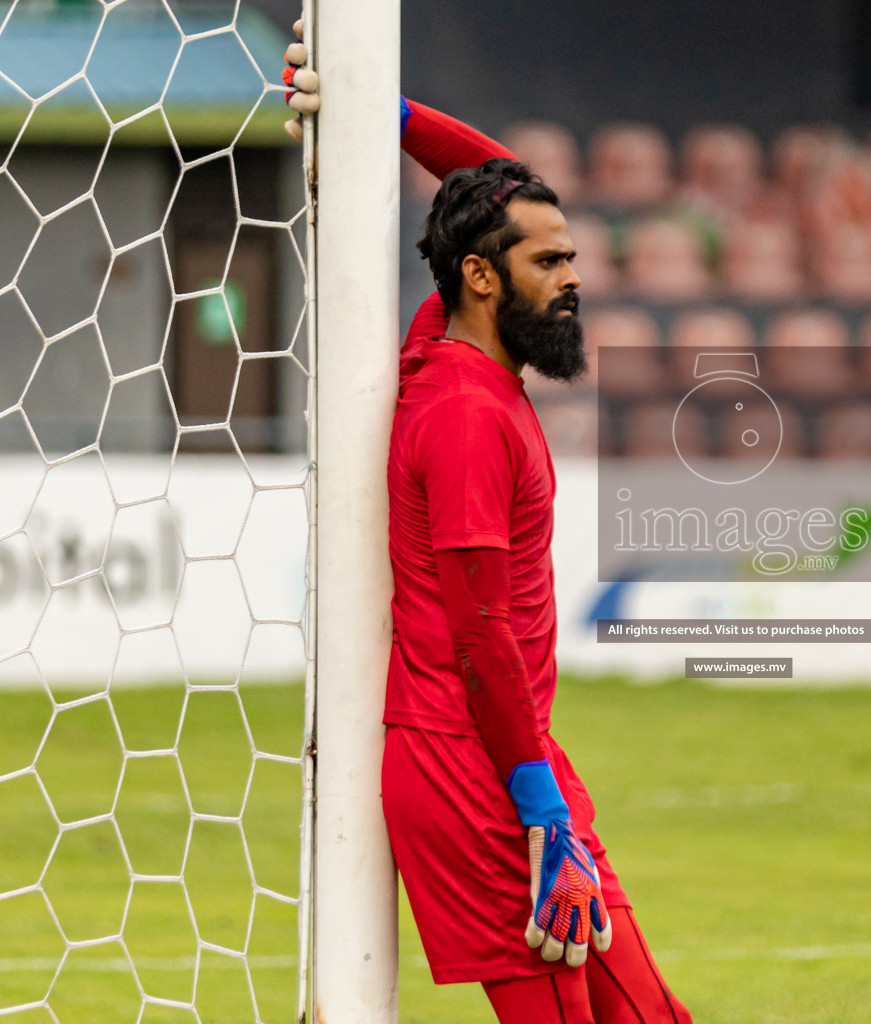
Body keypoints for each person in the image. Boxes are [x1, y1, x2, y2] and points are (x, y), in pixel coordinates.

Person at [283, 32, 693, 1024]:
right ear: (478, 277)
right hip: (476, 775)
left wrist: (379, 106)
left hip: (515, 758)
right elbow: (479, 633)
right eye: (548, 261)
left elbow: (486, 175)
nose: (571, 278)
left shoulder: (445, 347)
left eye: (571, 258)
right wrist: (536, 806)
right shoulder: (465, 415)